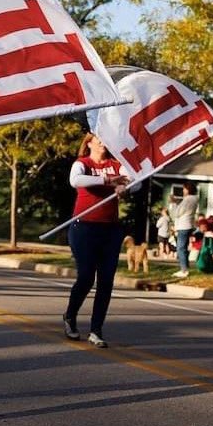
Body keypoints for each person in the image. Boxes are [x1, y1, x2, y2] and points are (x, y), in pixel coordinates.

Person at [62, 133, 129, 348]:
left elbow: (133, 180)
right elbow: (75, 181)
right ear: (89, 142)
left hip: (110, 229)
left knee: (106, 281)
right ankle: (70, 316)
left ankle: (96, 330)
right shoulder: (82, 164)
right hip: (84, 227)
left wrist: (125, 186)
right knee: (86, 277)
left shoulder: (117, 164)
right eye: (98, 138)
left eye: (104, 138)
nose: (102, 142)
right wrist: (107, 181)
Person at [170, 182, 198, 278]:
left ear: (188, 189)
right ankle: (186, 267)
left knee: (180, 248)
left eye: (184, 189)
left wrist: (174, 204)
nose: (183, 190)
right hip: (188, 225)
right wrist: (177, 202)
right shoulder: (193, 199)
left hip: (183, 226)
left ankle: (184, 270)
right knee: (184, 248)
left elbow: (178, 212)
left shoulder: (188, 200)